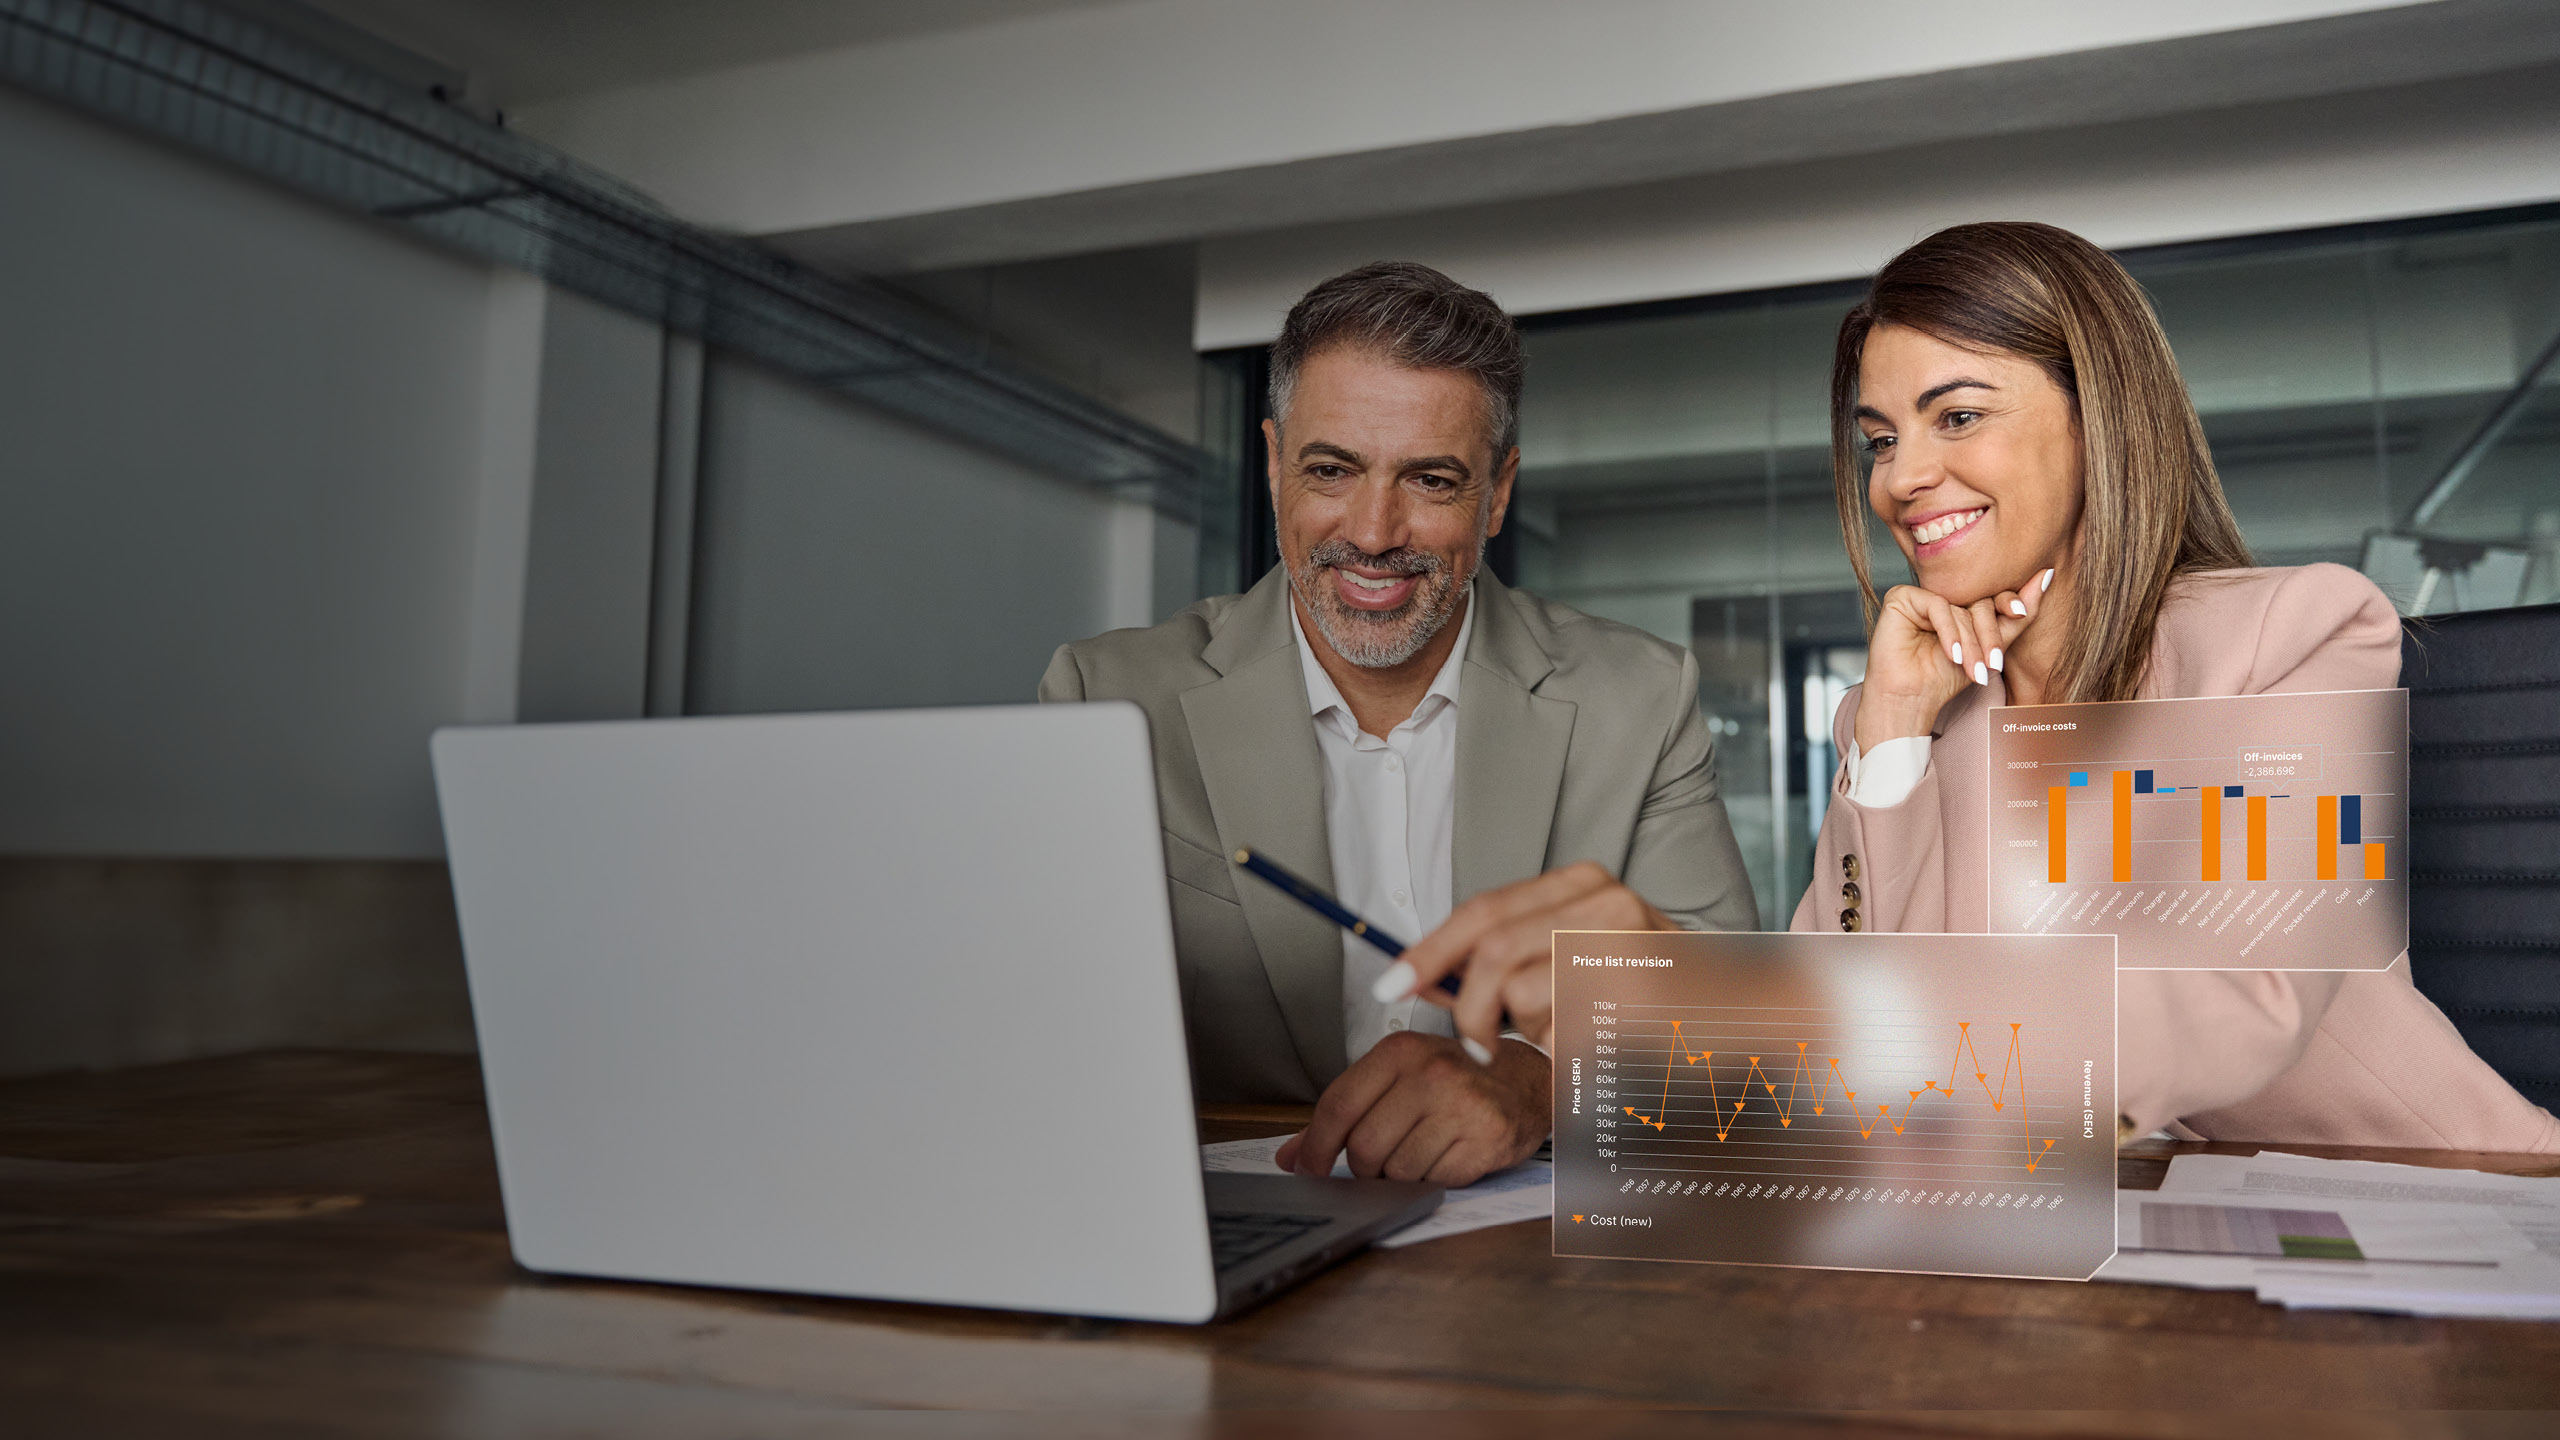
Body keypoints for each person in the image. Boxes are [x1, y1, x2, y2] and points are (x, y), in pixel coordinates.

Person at [1383, 222, 2559, 1153]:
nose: (1904, 476)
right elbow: (1846, 1087)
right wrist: (1890, 740)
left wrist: (1751, 1010)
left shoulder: (2292, 637)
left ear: (2100, 419)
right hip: (2093, 1231)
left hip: (2410, 1203)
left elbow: (2235, 1001)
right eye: (1878, 438)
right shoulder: (1896, 706)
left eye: (1957, 416)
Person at [1040, 261, 1758, 1186]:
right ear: (1271, 464)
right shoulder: (1107, 699)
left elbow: (1737, 1038)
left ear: (1498, 493)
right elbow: (1031, 1028)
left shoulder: (1643, 696)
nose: (1374, 533)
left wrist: (1541, 1085)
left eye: (1430, 479)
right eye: (1332, 470)